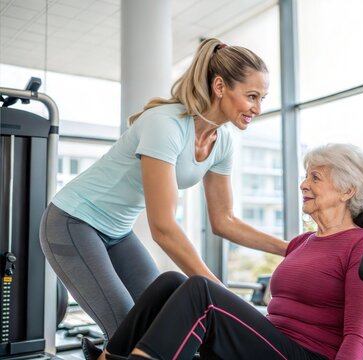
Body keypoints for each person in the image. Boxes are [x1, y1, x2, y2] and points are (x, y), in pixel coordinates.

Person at [39, 38, 288, 341]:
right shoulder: (166, 124)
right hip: (72, 222)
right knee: (126, 328)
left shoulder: (222, 142)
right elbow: (164, 227)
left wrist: (290, 248)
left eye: (262, 98)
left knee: (159, 320)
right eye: (252, 96)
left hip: (117, 233)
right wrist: (216, 288)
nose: (258, 108)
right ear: (220, 86)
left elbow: (225, 221)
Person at [84, 143, 363, 360]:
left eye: (315, 177)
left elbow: (358, 335)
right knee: (171, 282)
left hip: (307, 353)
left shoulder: (362, 245)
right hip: (272, 340)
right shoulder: (303, 242)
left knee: (203, 293)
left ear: (348, 191)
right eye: (306, 176)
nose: (303, 184)